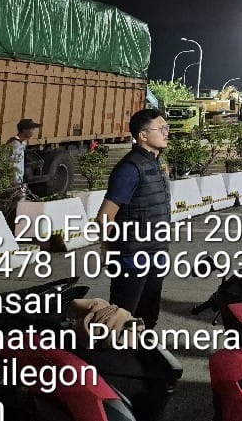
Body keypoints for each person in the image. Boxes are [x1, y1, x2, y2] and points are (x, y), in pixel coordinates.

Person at [95, 108, 172, 330]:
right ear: (143, 135)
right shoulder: (130, 168)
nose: (167, 133)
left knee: (148, 319)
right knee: (122, 319)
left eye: (167, 128)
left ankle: (142, 351)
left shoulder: (155, 163)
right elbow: (105, 216)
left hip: (156, 253)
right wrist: (106, 250)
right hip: (131, 257)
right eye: (161, 129)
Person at [7, 118, 41, 186]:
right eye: (31, 129)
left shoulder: (21, 144)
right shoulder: (16, 145)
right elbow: (13, 165)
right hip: (15, 183)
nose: (33, 131)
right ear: (24, 130)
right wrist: (17, 183)